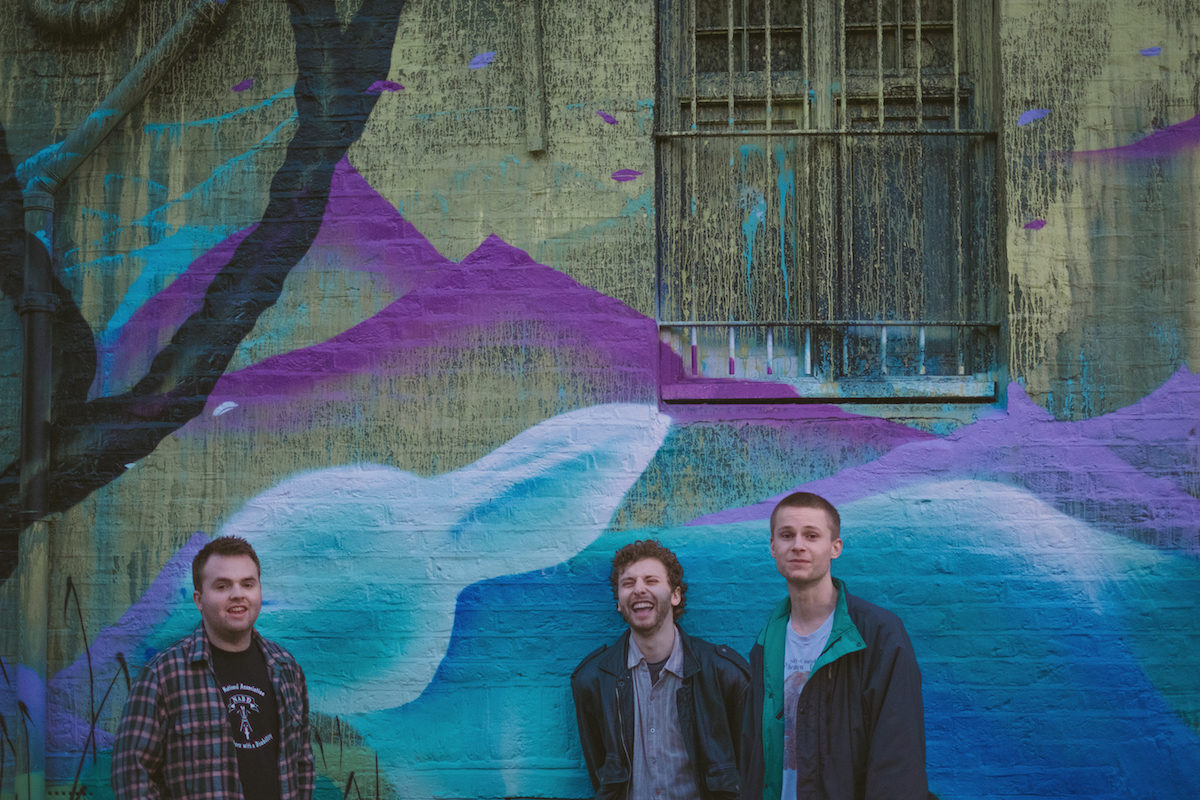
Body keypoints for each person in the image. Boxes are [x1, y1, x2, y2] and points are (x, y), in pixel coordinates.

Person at [749, 491, 928, 800]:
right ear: (773, 547)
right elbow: (753, 749)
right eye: (787, 535)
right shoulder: (766, 641)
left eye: (812, 535)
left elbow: (898, 756)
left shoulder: (878, 635)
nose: (798, 545)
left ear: (835, 547)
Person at [112, 535, 313, 800]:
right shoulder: (163, 676)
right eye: (222, 586)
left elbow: (302, 762)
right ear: (199, 600)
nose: (238, 594)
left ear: (259, 591)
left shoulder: (286, 669)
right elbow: (131, 776)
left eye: (247, 584)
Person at [571, 539, 752, 800]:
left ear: (675, 595)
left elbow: (748, 767)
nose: (639, 589)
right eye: (628, 583)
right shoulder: (593, 681)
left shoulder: (724, 674)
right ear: (619, 602)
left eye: (651, 580)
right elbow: (600, 768)